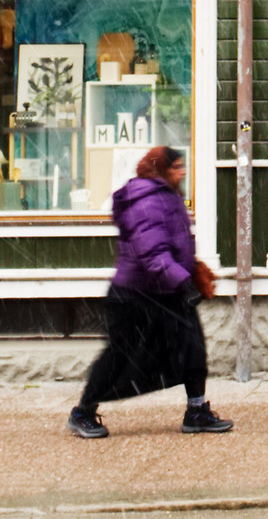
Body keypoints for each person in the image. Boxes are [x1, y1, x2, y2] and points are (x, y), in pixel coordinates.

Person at [67, 146, 232, 437]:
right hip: (135, 296)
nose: (182, 172)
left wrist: (189, 270)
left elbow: (173, 244)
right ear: (160, 169)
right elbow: (152, 252)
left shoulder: (167, 195)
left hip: (166, 291)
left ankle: (196, 411)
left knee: (192, 348)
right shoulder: (146, 200)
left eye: (182, 166)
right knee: (120, 356)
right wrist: (182, 281)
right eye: (176, 167)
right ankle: (83, 412)